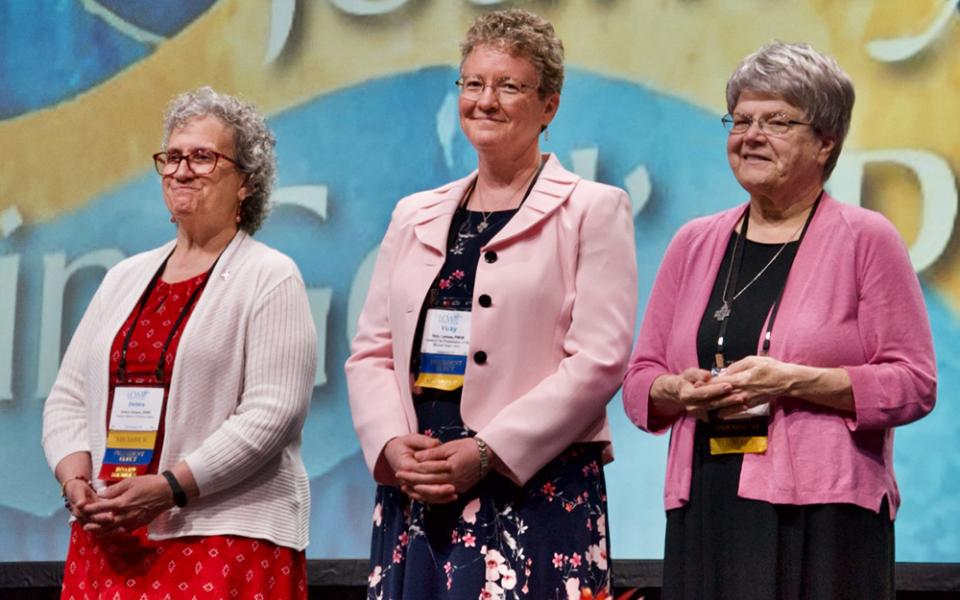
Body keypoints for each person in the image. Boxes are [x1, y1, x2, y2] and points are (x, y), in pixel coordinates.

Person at [623, 41, 936, 599]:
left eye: (776, 121)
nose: (751, 135)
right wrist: (677, 389)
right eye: (741, 119)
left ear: (826, 141)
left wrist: (796, 381)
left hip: (822, 515)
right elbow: (640, 381)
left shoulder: (866, 239)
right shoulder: (693, 242)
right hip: (708, 503)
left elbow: (913, 383)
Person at [345, 9, 637, 599]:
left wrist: (487, 452)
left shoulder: (593, 209)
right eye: (473, 83)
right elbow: (372, 350)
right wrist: (391, 446)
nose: (486, 100)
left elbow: (600, 359)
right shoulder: (414, 213)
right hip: (419, 485)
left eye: (508, 86)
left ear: (548, 105)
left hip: (534, 488)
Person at [42, 86, 317, 598]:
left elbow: (272, 413)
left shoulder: (271, 276)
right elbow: (68, 397)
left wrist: (169, 488)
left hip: (221, 539)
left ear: (245, 184)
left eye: (203, 157)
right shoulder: (124, 277)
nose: (181, 170)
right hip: (110, 538)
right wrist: (75, 482)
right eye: (172, 157)